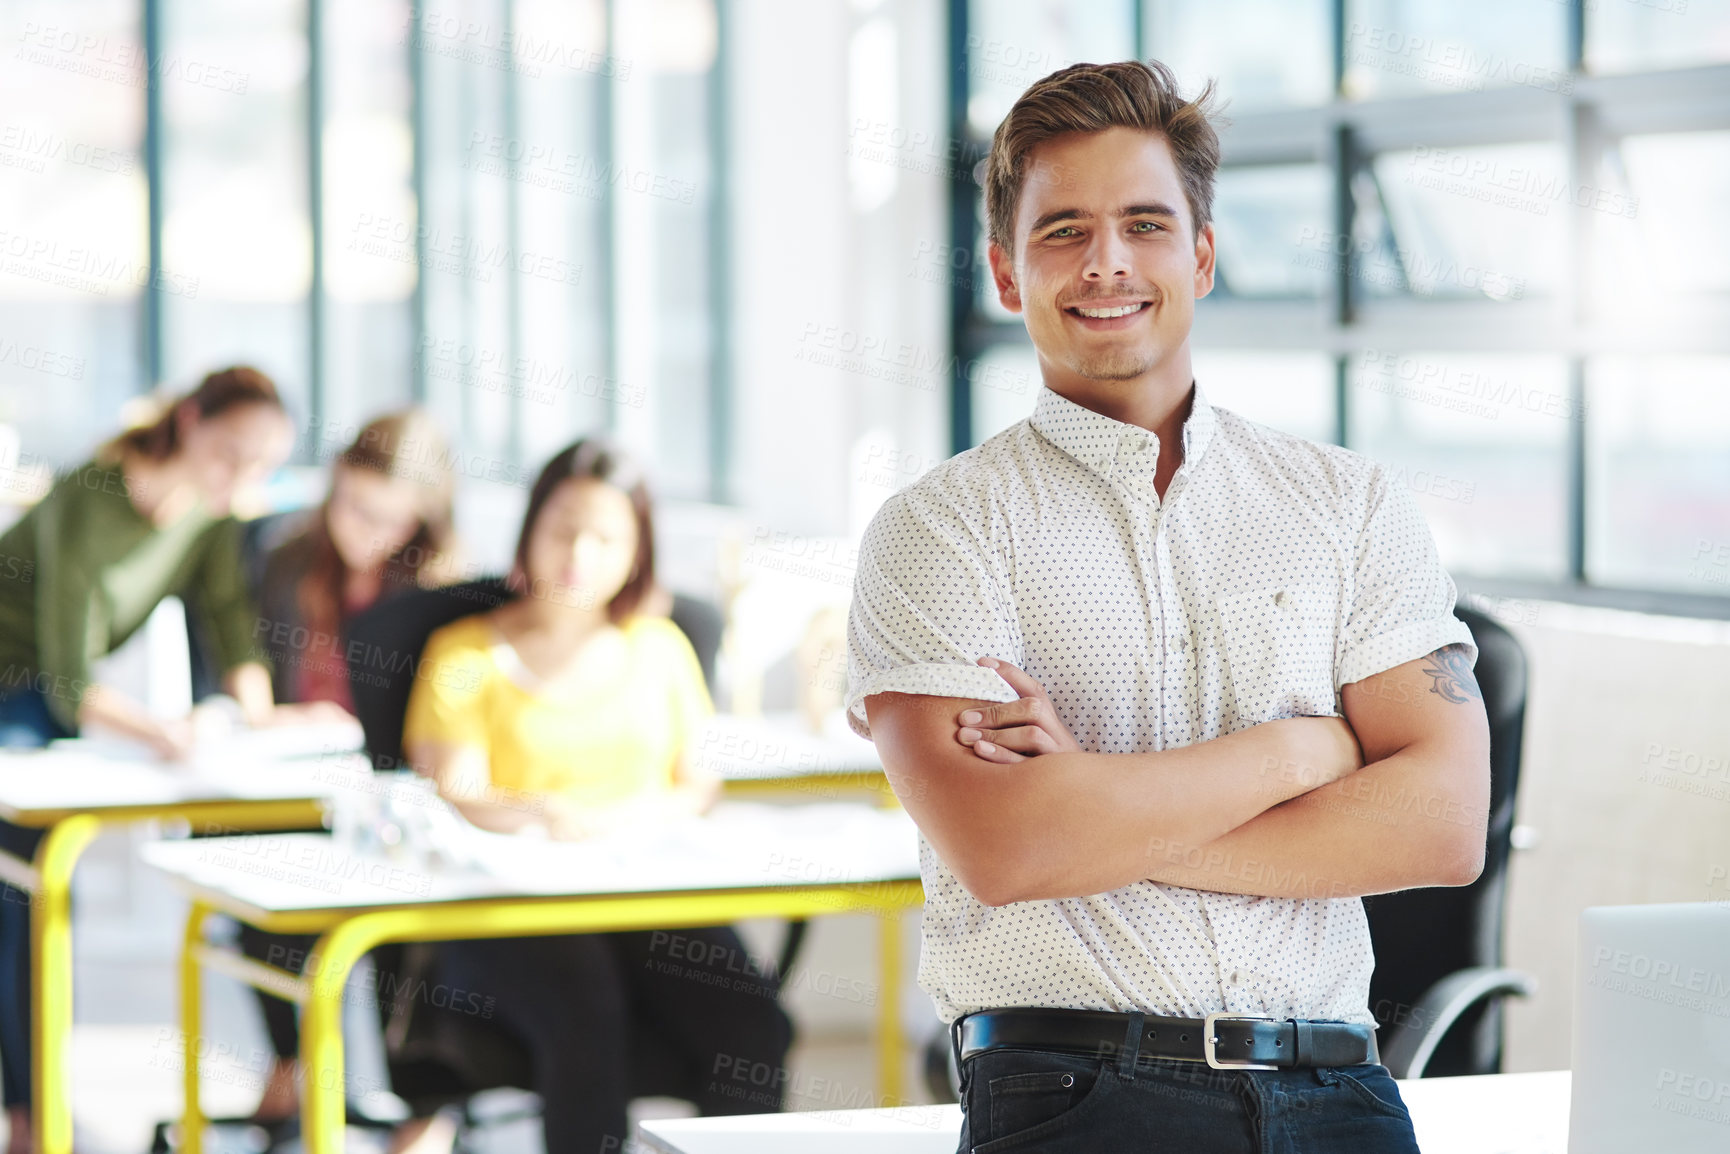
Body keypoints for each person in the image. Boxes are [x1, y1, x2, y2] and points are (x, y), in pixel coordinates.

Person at [844, 61, 1491, 1153]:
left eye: (1143, 223)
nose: (1105, 262)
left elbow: (1440, 820)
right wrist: (1300, 749)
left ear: (1198, 252)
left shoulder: (1347, 504)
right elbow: (1008, 847)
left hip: (1339, 1089)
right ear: (1006, 271)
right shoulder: (937, 532)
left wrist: (1094, 806)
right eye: (1062, 232)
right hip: (1074, 1092)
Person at [401, 438, 792, 1154]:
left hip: (643, 889)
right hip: (513, 907)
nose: (579, 552)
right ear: (529, 532)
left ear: (637, 550)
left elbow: (695, 783)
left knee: (751, 1023)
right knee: (584, 1017)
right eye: (562, 529)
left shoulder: (661, 646)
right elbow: (453, 787)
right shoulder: (464, 651)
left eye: (606, 536)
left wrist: (625, 818)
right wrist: (546, 813)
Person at [0, 366, 335, 1152]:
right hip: (17, 691)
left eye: (263, 465)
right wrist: (165, 735)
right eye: (230, 453)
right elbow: (66, 677)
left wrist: (260, 719)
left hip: (49, 708)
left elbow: (227, 618)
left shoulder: (211, 514)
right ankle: (29, 1114)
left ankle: (38, 1103)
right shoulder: (94, 495)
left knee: (49, 888)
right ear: (188, 422)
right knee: (22, 889)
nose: (243, 478)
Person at [237, 409, 462, 1124]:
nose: (368, 531)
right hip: (296, 784)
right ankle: (288, 1066)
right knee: (256, 894)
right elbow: (250, 676)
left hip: (391, 800)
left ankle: (427, 1112)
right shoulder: (284, 559)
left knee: (413, 922)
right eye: (355, 507)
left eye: (391, 520)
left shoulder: (441, 590)